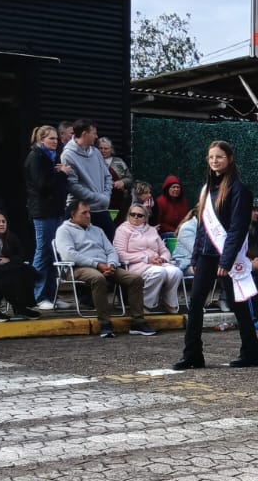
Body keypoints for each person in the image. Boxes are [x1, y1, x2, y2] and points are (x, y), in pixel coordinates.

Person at [173, 141, 258, 370]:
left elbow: (237, 228)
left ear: (230, 159)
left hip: (225, 256)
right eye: (211, 157)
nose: (214, 160)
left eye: (219, 156)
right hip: (205, 254)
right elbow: (202, 227)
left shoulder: (239, 190)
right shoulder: (206, 189)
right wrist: (194, 257)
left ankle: (251, 352)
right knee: (195, 303)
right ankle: (192, 354)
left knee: (238, 303)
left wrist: (226, 260)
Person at [54, 199, 154, 339]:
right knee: (98, 278)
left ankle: (138, 322)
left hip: (105, 266)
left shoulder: (97, 230)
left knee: (135, 279)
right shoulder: (64, 230)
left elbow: (110, 250)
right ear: (73, 215)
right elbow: (69, 254)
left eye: (89, 212)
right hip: (77, 268)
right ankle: (104, 323)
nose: (88, 216)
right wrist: (97, 265)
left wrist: (111, 264)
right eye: (84, 213)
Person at [24, 124, 71, 309]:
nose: (55, 142)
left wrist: (58, 173)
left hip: (55, 210)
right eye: (51, 138)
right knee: (43, 251)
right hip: (43, 212)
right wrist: (61, 173)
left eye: (56, 138)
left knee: (53, 252)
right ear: (41, 139)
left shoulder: (50, 157)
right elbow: (43, 186)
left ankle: (51, 296)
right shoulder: (36, 157)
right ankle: (38, 296)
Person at [112, 203, 184, 312]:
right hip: (135, 265)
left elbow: (164, 250)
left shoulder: (152, 230)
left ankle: (168, 301)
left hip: (158, 263)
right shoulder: (122, 230)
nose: (135, 217)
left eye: (139, 215)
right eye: (132, 214)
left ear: (145, 217)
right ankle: (145, 303)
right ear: (128, 215)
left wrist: (163, 258)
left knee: (176, 272)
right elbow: (120, 254)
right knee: (158, 272)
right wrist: (146, 258)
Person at [61, 121, 116, 237]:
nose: (96, 136)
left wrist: (106, 195)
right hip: (80, 211)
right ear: (84, 134)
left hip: (101, 208)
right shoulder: (68, 155)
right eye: (94, 133)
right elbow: (73, 186)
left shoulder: (95, 152)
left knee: (110, 240)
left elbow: (107, 176)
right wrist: (99, 198)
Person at [98, 137, 131, 215]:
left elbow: (130, 178)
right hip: (99, 201)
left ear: (111, 149)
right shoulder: (93, 162)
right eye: (100, 148)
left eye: (106, 148)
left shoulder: (119, 162)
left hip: (118, 200)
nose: (103, 151)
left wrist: (122, 182)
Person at [172, 207, 199, 280]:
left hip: (198, 262)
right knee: (208, 268)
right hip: (185, 265)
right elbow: (196, 251)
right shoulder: (188, 228)